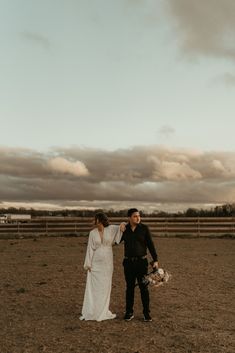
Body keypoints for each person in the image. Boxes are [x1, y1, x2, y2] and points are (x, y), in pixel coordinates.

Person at [80, 212, 124, 321]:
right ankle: (93, 310)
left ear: (100, 220)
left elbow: (121, 227)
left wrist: (123, 224)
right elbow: (90, 248)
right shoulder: (92, 233)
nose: (95, 221)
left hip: (107, 263)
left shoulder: (111, 229)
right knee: (94, 287)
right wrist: (88, 264)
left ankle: (103, 311)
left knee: (105, 286)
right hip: (95, 263)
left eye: (96, 219)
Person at [120, 208, 158, 322]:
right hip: (128, 263)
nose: (138, 218)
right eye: (135, 216)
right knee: (129, 288)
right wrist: (120, 225)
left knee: (144, 288)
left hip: (142, 263)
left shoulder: (144, 228)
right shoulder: (124, 229)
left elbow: (151, 245)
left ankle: (146, 313)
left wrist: (155, 259)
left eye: (139, 216)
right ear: (129, 218)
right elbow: (114, 238)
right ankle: (129, 312)